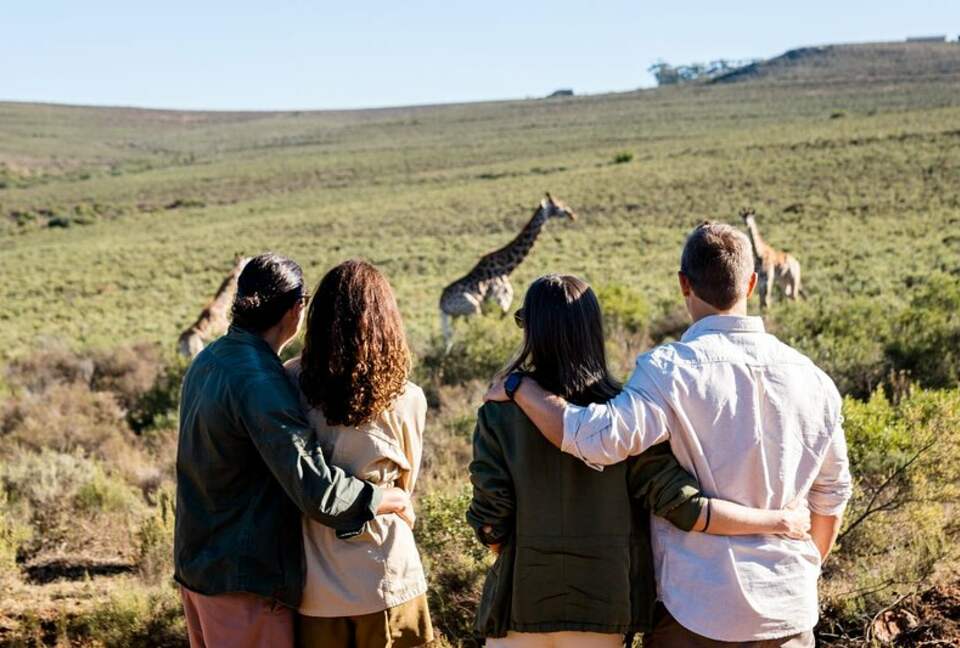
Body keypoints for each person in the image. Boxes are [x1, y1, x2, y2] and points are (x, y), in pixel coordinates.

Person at [487, 223, 853, 647]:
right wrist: (802, 570)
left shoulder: (668, 371)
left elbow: (595, 439)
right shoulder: (814, 380)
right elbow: (831, 498)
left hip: (696, 609)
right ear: (751, 283)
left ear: (684, 284)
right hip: (789, 609)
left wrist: (520, 388)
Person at [175, 253, 412, 648]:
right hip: (244, 584)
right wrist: (388, 498)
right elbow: (317, 491)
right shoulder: (262, 381)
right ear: (296, 308)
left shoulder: (209, 359)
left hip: (199, 571)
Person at [285, 260, 434, 648]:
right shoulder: (408, 397)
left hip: (315, 587)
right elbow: (406, 484)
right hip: (388, 576)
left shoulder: (287, 382)